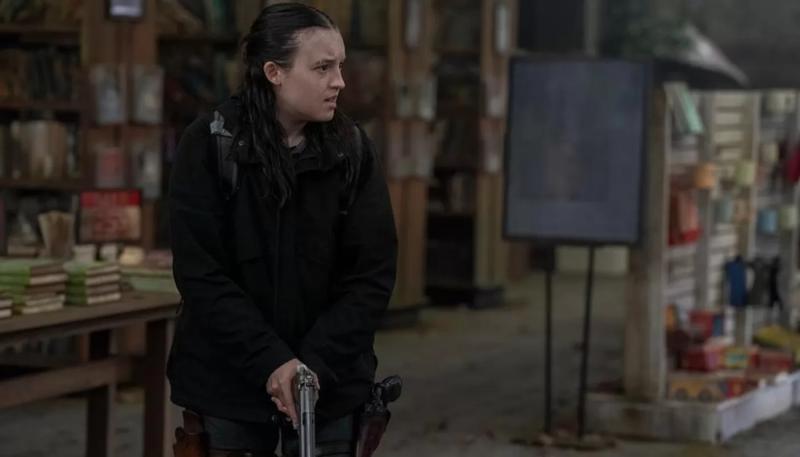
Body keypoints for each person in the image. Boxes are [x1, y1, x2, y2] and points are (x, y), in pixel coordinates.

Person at [167, 3, 398, 456]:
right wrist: (272, 361)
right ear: (274, 72)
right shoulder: (211, 144)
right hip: (228, 385)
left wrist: (312, 367)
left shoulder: (351, 150)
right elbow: (201, 273)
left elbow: (372, 276)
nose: (339, 81)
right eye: (323, 68)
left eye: (340, 66)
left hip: (332, 385)